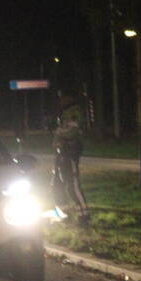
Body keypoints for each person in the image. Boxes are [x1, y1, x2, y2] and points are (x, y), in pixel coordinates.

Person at [52, 92, 89, 224]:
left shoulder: (75, 112)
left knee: (72, 185)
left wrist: (58, 132)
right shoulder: (64, 112)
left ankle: (84, 215)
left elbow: (71, 130)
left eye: (64, 97)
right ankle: (65, 214)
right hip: (62, 152)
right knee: (57, 184)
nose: (61, 100)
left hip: (70, 152)